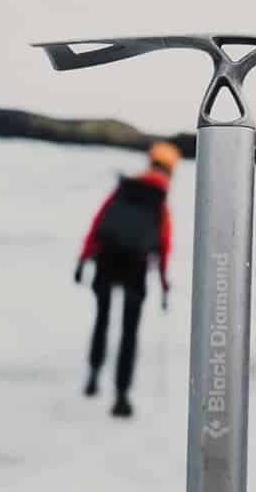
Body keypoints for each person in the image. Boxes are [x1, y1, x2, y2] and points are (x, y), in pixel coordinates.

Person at [74, 141, 180, 418]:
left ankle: (93, 376)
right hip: (136, 267)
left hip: (107, 260)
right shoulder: (159, 199)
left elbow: (98, 223)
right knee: (129, 333)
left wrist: (83, 259)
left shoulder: (125, 187)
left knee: (102, 320)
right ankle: (121, 396)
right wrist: (164, 283)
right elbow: (164, 244)